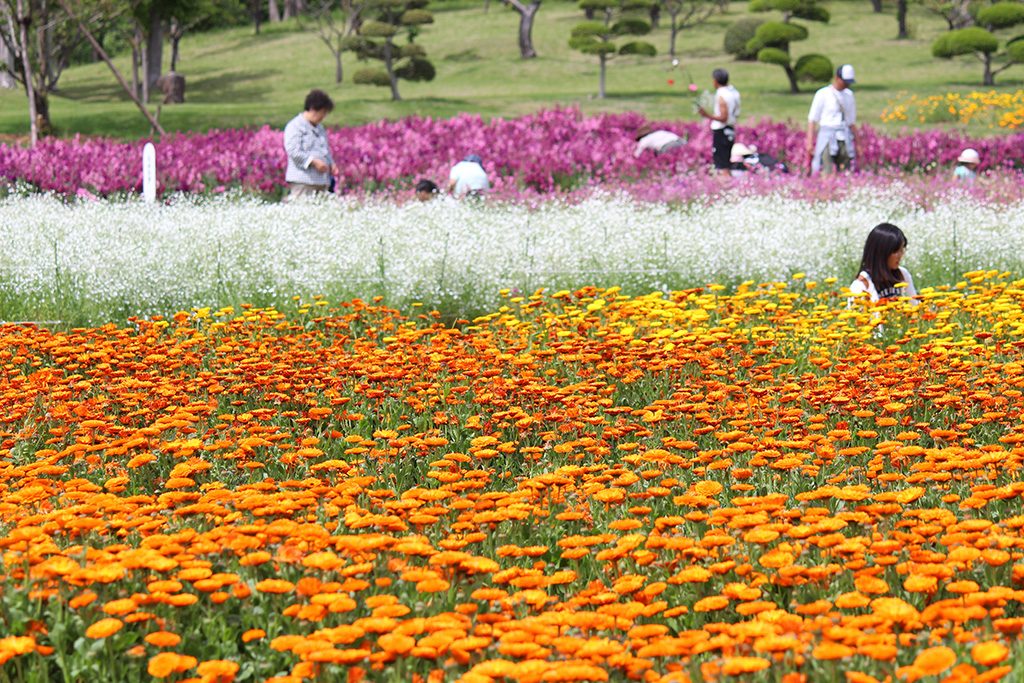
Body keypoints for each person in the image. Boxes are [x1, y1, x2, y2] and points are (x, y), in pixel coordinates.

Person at [283, 89, 339, 199]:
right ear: (313, 109)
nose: (324, 116)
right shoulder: (295, 126)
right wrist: (313, 162)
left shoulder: (320, 128)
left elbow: (325, 149)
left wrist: (331, 164)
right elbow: (293, 151)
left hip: (322, 181)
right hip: (303, 181)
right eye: (323, 112)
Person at [848, 223, 917, 303]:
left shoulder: (903, 274)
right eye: (895, 251)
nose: (900, 255)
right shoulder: (861, 285)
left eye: (902, 249)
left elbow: (915, 304)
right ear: (881, 253)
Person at [807, 64, 857, 174]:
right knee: (826, 168)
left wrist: (858, 143)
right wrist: (809, 142)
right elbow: (812, 119)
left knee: (846, 170)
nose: (847, 85)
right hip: (827, 136)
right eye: (845, 82)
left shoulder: (849, 95)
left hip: (844, 136)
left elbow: (851, 122)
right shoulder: (823, 94)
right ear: (837, 78)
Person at [697, 68, 740, 176]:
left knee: (722, 165)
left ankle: (726, 184)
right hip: (730, 129)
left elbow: (724, 117)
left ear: (715, 81)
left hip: (722, 131)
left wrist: (706, 115)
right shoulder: (734, 92)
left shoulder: (722, 95)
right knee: (726, 162)